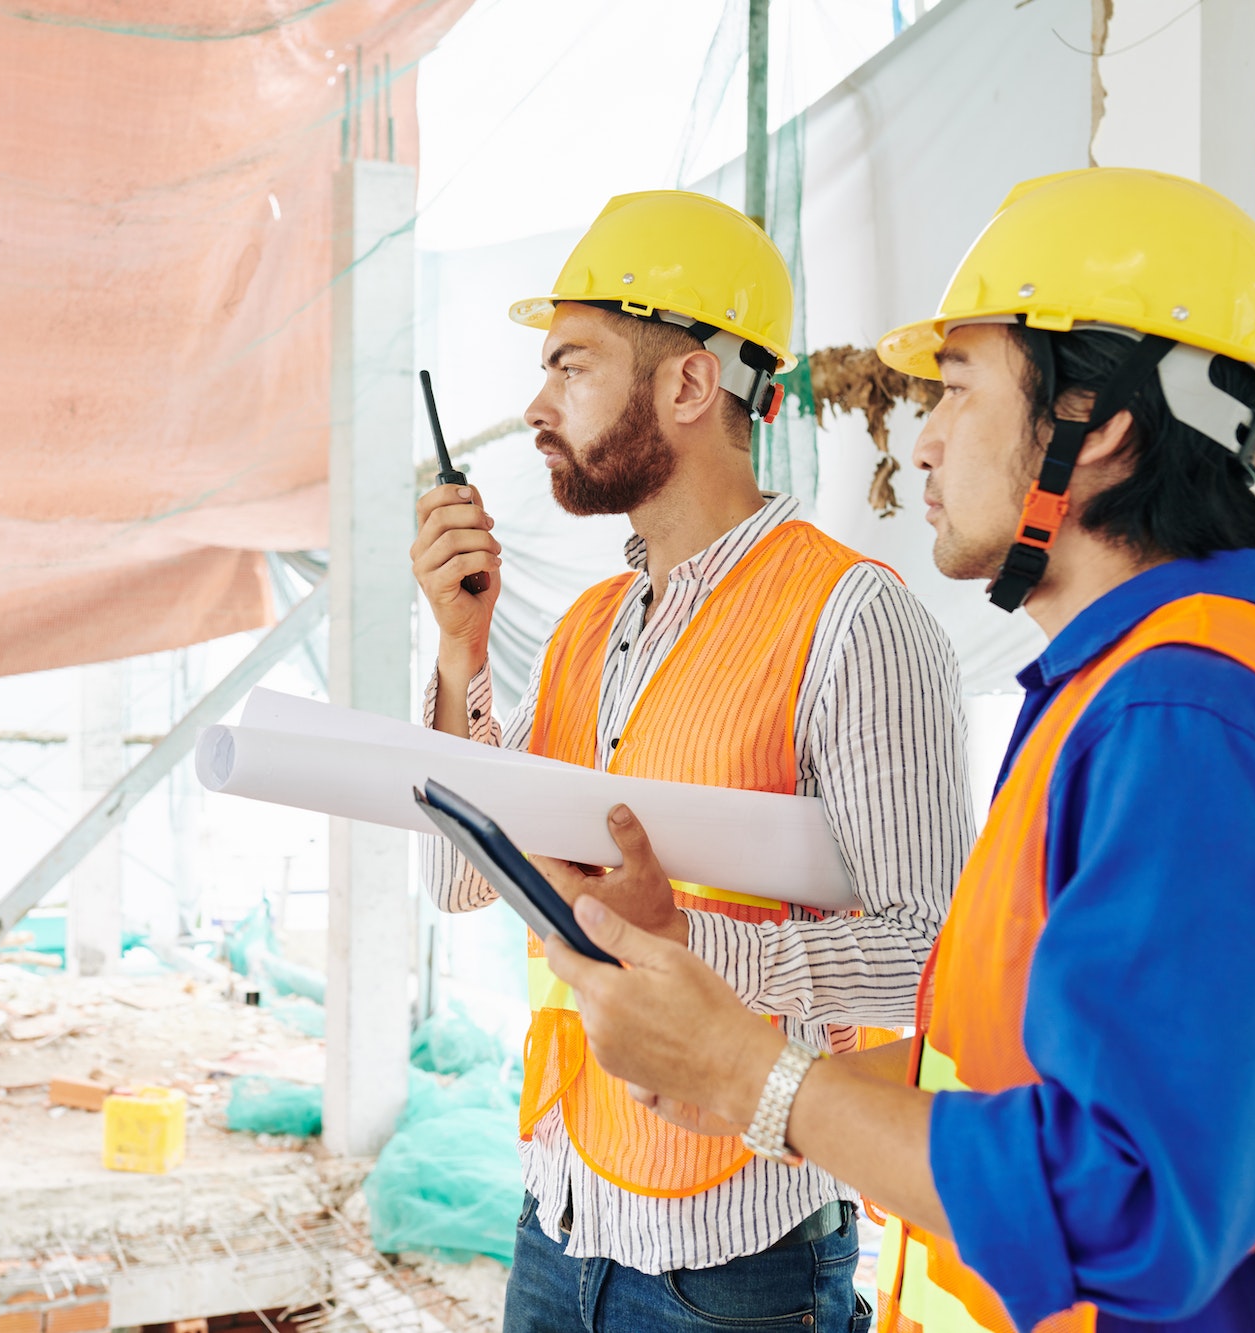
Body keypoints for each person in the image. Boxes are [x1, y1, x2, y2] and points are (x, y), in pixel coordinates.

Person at [538, 167, 1255, 1331]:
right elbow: (999, 1072)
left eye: (956, 390)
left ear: (1095, 419)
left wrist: (761, 1081)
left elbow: (1134, 1205)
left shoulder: (1179, 725)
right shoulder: (1111, 699)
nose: (918, 444)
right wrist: (744, 1082)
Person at [409, 189, 977, 1332]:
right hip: (558, 1226)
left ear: (684, 384)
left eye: (570, 364)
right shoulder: (582, 630)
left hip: (737, 1271)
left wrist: (686, 943)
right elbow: (458, 880)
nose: (533, 404)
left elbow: (933, 957)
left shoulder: (850, 618)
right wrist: (457, 647)